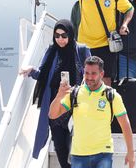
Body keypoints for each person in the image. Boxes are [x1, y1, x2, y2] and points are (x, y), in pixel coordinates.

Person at [20, 19, 90, 168]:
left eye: (64, 35)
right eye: (57, 36)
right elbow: (44, 76)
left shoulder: (82, 50)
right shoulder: (52, 52)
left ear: (70, 35)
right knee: (60, 145)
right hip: (56, 105)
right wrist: (32, 71)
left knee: (76, 145)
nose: (60, 39)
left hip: (76, 105)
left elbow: (91, 75)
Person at [49, 56, 135, 168]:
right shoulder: (74, 93)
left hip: (103, 153)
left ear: (102, 74)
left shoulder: (112, 95)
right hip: (78, 154)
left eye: (93, 73)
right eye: (86, 73)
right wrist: (59, 95)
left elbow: (125, 124)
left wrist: (131, 152)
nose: (89, 77)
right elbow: (52, 114)